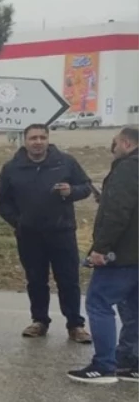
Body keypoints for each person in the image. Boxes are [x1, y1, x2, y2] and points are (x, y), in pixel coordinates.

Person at [0, 123, 95, 343]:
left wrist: (71, 192)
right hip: (29, 236)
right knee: (36, 280)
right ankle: (39, 321)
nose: (38, 142)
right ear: (25, 141)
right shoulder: (12, 167)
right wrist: (18, 222)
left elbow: (86, 187)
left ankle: (75, 325)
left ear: (48, 139)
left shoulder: (65, 162)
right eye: (33, 138)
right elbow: (1, 200)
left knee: (68, 280)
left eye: (42, 137)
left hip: (62, 232)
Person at [68, 127, 139, 384]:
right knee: (134, 308)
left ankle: (104, 366)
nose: (113, 148)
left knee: (98, 303)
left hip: (122, 254)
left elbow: (118, 212)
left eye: (115, 143)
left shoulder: (127, 168)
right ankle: (132, 363)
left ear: (126, 142)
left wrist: (100, 248)